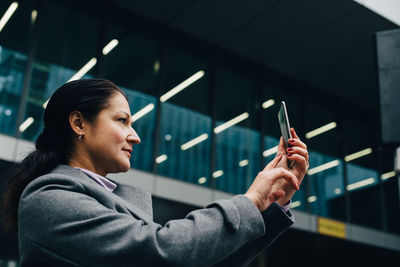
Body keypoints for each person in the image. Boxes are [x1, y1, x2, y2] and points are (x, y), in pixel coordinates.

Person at [2, 79, 309, 266]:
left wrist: (274, 199)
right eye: (122, 120)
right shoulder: (49, 198)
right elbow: (163, 253)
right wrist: (251, 200)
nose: (134, 136)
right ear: (79, 123)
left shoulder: (100, 197)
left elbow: (200, 261)